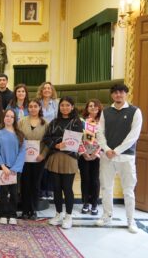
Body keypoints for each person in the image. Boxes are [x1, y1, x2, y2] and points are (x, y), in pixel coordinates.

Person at [96, 84, 142, 234]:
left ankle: (131, 220)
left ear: (126, 94)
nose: (118, 95)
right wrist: (107, 149)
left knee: (128, 190)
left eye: (121, 92)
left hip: (126, 157)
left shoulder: (135, 111)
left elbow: (134, 136)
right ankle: (107, 215)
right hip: (107, 156)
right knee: (106, 188)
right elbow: (99, 132)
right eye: (115, 92)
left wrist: (116, 150)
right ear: (111, 95)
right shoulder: (106, 112)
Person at [44, 96, 83, 230]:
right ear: (59, 107)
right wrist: (57, 144)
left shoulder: (77, 122)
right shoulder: (54, 122)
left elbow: (75, 139)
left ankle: (68, 216)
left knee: (67, 188)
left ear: (72, 107)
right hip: (55, 156)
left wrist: (60, 142)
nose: (64, 107)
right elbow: (46, 138)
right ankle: (58, 213)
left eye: (67, 105)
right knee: (56, 188)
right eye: (62, 105)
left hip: (69, 158)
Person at [0, 109, 26, 225]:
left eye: (11, 117)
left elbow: (22, 153)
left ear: (14, 119)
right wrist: (3, 166)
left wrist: (14, 169)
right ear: (3, 118)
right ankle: (3, 214)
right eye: (7, 116)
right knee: (3, 192)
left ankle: (12, 214)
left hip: (15, 169)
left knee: (14, 192)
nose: (9, 118)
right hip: (3, 167)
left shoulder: (20, 134)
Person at [18, 99, 49, 220]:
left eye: (35, 106)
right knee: (24, 184)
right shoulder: (21, 121)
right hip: (24, 158)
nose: (32, 109)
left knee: (35, 185)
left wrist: (43, 154)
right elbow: (17, 138)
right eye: (30, 106)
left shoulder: (45, 123)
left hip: (38, 159)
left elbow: (48, 141)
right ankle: (25, 210)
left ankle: (33, 210)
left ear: (39, 108)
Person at [78, 99, 103, 216]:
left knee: (95, 180)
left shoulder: (103, 122)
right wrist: (84, 153)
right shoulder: (81, 122)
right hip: (83, 155)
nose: (93, 108)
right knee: (85, 179)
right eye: (90, 106)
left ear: (99, 108)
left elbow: (105, 140)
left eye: (95, 106)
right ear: (87, 108)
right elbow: (77, 139)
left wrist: (95, 154)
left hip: (97, 155)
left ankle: (94, 204)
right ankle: (85, 203)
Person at [37, 81, 59, 200]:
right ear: (41, 90)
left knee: (49, 162)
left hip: (52, 135)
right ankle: (40, 189)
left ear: (52, 91)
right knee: (40, 162)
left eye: (49, 88)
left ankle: (48, 190)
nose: (46, 90)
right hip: (39, 134)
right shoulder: (37, 103)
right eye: (44, 88)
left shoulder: (56, 103)